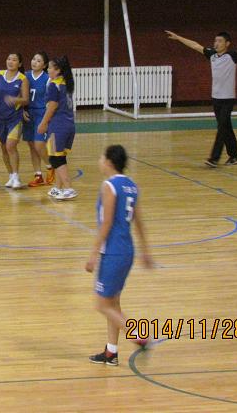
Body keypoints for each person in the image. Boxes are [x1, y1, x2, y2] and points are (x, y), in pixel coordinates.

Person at [86, 145, 153, 366]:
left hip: (113, 251)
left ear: (109, 162)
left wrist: (93, 254)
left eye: (101, 157)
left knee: (102, 305)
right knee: (113, 303)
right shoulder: (131, 186)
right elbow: (139, 221)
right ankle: (111, 352)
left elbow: (106, 223)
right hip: (127, 250)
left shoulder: (109, 186)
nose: (99, 160)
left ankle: (138, 336)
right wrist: (145, 251)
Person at [165, 30, 237, 167]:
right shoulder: (211, 55)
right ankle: (234, 156)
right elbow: (195, 45)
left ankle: (214, 158)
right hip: (216, 98)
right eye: (215, 41)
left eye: (220, 41)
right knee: (226, 127)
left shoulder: (232, 56)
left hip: (228, 99)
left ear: (227, 44)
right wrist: (178, 37)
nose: (216, 43)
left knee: (221, 128)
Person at [0, 53, 29, 189]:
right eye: (9, 59)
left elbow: (26, 99)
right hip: (0, 118)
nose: (10, 61)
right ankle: (10, 176)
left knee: (10, 146)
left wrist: (16, 100)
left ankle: (16, 176)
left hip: (14, 117)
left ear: (19, 64)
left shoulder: (22, 79)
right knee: (4, 149)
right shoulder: (0, 75)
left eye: (14, 60)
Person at [38, 56, 77, 200]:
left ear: (58, 70)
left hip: (58, 126)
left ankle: (68, 188)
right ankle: (58, 188)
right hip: (69, 125)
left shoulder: (54, 85)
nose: (48, 70)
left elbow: (52, 106)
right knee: (60, 157)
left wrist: (43, 123)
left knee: (55, 159)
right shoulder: (66, 83)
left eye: (50, 68)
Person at [23, 51, 54, 188]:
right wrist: (22, 110)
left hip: (42, 113)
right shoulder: (26, 76)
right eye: (34, 59)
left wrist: (47, 119)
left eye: (39, 61)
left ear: (44, 65)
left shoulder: (47, 79)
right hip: (28, 113)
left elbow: (52, 100)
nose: (35, 62)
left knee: (39, 144)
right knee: (31, 146)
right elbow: (22, 96)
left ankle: (50, 166)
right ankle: (38, 175)